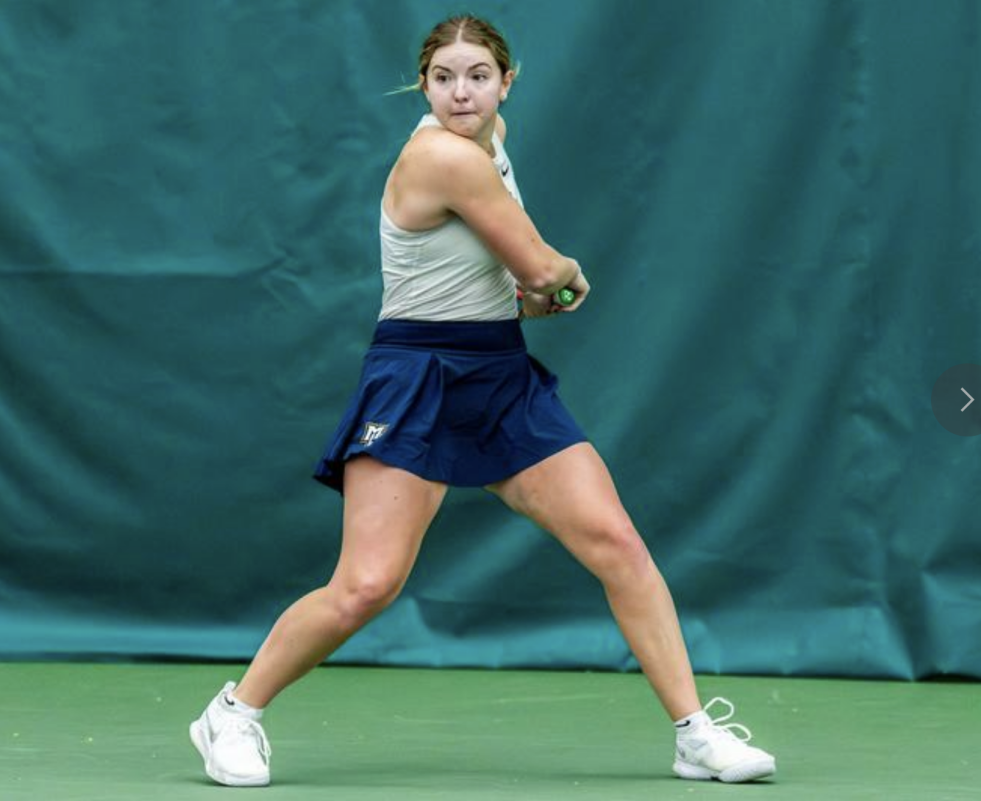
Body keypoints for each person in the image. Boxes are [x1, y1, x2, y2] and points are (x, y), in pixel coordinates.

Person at [189, 14, 776, 788]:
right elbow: (541, 268)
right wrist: (567, 272)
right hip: (416, 375)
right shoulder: (442, 155)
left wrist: (531, 293)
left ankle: (695, 733)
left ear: (507, 82)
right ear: (422, 83)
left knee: (618, 544)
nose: (459, 92)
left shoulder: (488, 147)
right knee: (368, 584)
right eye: (442, 77)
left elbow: (512, 289)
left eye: (476, 75)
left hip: (499, 373)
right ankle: (233, 712)